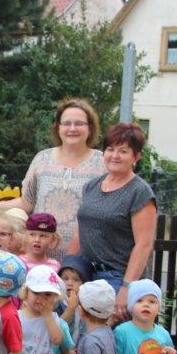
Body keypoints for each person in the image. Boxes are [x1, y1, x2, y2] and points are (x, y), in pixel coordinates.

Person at [0, 98, 105, 258]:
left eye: (79, 123)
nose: (72, 128)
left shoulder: (102, 163)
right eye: (66, 123)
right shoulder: (42, 159)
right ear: (58, 127)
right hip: (40, 257)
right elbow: (26, 202)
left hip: (83, 260)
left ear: (90, 128)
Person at [68, 123, 157, 321]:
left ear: (136, 157)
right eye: (110, 149)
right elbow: (80, 231)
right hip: (85, 273)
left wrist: (126, 288)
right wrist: (66, 269)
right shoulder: (92, 186)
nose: (114, 155)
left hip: (116, 278)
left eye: (123, 151)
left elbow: (143, 245)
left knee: (102, 337)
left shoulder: (140, 192)